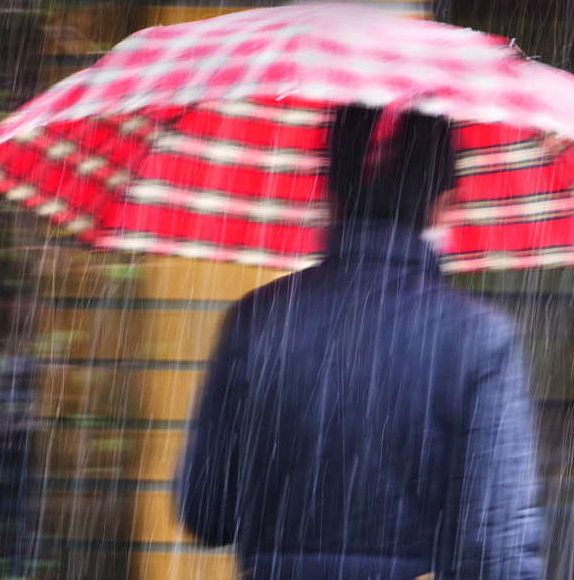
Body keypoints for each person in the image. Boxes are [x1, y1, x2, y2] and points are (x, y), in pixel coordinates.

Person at [177, 104, 545, 579]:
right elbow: (497, 553)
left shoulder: (259, 321)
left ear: (329, 199)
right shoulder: (478, 340)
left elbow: (208, 514)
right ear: (444, 206)